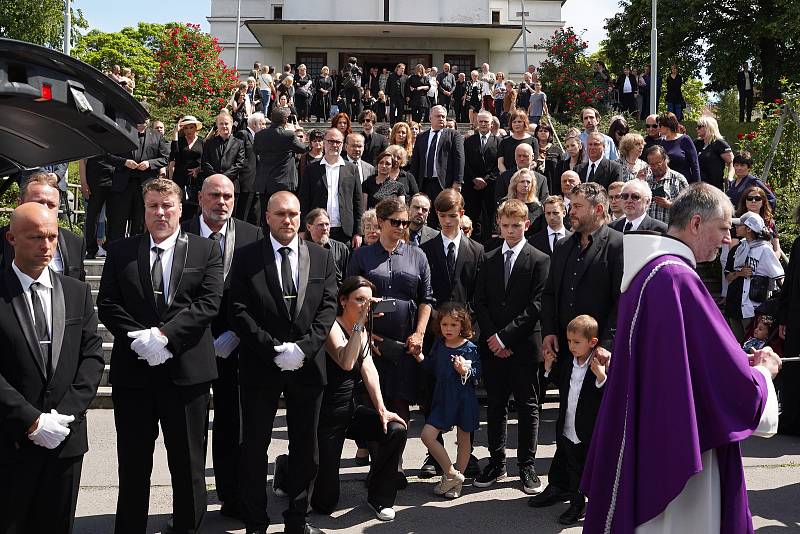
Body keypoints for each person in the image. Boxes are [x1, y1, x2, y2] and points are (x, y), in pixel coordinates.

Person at [581, 183, 781, 533]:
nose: (726, 240)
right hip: (682, 450)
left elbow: (689, 358)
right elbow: (729, 382)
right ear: (696, 223)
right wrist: (763, 373)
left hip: (652, 436)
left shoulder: (648, 271)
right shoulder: (677, 278)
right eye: (722, 229)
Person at [98, 178, 223, 534]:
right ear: (144, 210)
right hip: (134, 375)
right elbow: (108, 303)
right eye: (153, 206)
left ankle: (187, 527)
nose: (160, 212)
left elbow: (209, 303)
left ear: (181, 209)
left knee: (187, 466)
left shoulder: (205, 251)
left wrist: (165, 337)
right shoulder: (121, 250)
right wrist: (141, 338)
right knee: (134, 465)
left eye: (167, 206)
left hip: (186, 376)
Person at [229, 191, 337, 534]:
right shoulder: (246, 258)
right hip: (261, 366)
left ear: (301, 216)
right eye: (280, 214)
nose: (287, 220)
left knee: (306, 446)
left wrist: (302, 349)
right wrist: (273, 350)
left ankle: (297, 517)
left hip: (308, 367)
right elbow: (239, 310)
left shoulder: (321, 257)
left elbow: (328, 308)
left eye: (293, 214)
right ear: (268, 218)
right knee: (255, 446)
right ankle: (256, 520)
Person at [0, 203, 103, 534]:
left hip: (65, 440)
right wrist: (31, 419)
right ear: (11, 238)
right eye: (35, 237)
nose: (46, 246)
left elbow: (91, 357)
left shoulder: (77, 292)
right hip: (9, 441)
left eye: (52, 237)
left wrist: (63, 416)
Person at [275, 276, 407, 521]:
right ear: (343, 300)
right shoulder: (331, 326)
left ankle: (379, 497)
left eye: (369, 301)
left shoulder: (363, 329)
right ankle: (285, 466)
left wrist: (381, 409)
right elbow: (346, 362)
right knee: (325, 503)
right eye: (359, 300)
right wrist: (358, 324)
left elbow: (368, 369)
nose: (364, 306)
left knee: (395, 430)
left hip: (351, 409)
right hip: (326, 415)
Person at [180, 174, 262, 519]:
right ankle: (191, 506)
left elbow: (258, 292)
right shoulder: (181, 232)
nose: (222, 202)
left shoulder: (251, 234)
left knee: (232, 425)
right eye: (214, 195)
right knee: (190, 431)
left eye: (228, 195)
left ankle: (232, 497)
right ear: (200, 198)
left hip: (235, 345)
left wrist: (237, 334)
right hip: (190, 345)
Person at [473, 198, 550, 494]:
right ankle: (496, 461)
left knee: (528, 406)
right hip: (492, 347)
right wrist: (493, 337)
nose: (510, 231)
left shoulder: (540, 259)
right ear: (499, 225)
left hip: (523, 347)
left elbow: (537, 305)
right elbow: (480, 301)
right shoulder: (488, 257)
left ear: (526, 225)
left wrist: (506, 337)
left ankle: (527, 465)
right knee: (495, 405)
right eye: (505, 226)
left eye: (516, 226)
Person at [346, 197, 434, 444]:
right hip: (371, 341)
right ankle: (376, 463)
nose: (401, 227)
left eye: (405, 223)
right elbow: (349, 297)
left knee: (401, 400)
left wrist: (419, 333)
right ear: (381, 222)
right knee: (372, 400)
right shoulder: (362, 256)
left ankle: (395, 464)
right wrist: (362, 332)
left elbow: (427, 298)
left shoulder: (417, 255)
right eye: (395, 222)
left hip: (405, 340)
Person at [541, 183, 621, 419]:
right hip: (567, 351)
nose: (571, 212)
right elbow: (549, 293)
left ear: (597, 209)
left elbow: (622, 301)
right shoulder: (563, 245)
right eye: (570, 206)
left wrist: (606, 343)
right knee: (565, 419)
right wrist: (549, 331)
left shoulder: (617, 244)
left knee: (594, 422)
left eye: (577, 206)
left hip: (598, 354)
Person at [531, 315, 606, 526]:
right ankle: (576, 504)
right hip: (567, 428)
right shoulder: (568, 364)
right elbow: (555, 381)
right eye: (569, 342)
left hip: (589, 431)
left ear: (592, 342)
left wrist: (601, 376)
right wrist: (547, 366)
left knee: (591, 469)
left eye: (577, 342)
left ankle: (597, 503)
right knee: (573, 469)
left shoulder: (597, 365)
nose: (571, 346)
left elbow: (608, 394)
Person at [416, 302, 481, 499]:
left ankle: (456, 485)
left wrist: (465, 371)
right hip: (442, 399)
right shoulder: (439, 344)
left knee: (464, 440)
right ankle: (452, 474)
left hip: (464, 399)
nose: (448, 329)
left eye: (453, 325)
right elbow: (431, 367)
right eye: (445, 325)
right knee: (427, 435)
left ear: (463, 325)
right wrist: (418, 356)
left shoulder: (470, 348)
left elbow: (478, 373)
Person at [0, 173, 85, 280]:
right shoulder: (2, 240)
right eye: (38, 203)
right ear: (20, 203)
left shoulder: (75, 243)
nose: (44, 209)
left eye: (51, 205)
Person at [106, 119, 170, 242]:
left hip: (145, 185)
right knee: (117, 221)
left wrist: (149, 163)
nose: (141, 121)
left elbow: (165, 158)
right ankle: (115, 253)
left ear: (148, 120)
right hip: (123, 184)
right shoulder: (122, 133)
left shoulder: (157, 136)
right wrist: (124, 162)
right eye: (138, 118)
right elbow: (108, 156)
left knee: (140, 221)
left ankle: (136, 254)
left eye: (144, 119)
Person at [724, 212, 784, 342]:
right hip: (733, 305)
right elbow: (727, 277)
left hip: (752, 308)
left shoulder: (765, 250)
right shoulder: (738, 248)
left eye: (740, 225)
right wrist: (739, 273)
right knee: (737, 345)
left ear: (749, 229)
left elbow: (779, 276)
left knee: (751, 345)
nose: (736, 228)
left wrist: (787, 300)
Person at [299, 128, 363, 247]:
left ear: (342, 144)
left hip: (344, 231)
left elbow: (358, 201)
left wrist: (358, 232)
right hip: (318, 230)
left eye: (338, 142)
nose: (334, 145)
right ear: (324, 142)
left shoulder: (352, 169)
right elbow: (304, 200)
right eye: (331, 141)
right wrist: (303, 229)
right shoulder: (311, 169)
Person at [409, 106, 465, 217]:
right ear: (430, 118)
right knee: (426, 215)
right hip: (424, 183)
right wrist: (414, 184)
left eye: (443, 117)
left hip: (444, 183)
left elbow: (459, 158)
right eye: (438, 116)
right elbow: (416, 162)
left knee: (444, 213)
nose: (441, 119)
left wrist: (457, 181)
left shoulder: (453, 135)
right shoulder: (421, 137)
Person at [778, 202, 800, 435]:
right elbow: (790, 284)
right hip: (797, 319)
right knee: (794, 371)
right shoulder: (798, 243)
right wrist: (783, 317)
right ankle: (792, 418)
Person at [463, 110, 501, 242]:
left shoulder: (499, 142)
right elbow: (465, 163)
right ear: (476, 123)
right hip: (472, 187)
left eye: (486, 122)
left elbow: (499, 165)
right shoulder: (468, 142)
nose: (483, 124)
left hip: (491, 187)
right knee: (473, 218)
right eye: (481, 121)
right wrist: (474, 178)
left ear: (491, 124)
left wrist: (486, 180)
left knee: (489, 219)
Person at [254, 108, 308, 197]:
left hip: (265, 183)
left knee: (266, 209)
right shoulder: (288, 135)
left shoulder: (259, 135)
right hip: (284, 182)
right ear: (285, 120)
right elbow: (303, 149)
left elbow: (256, 150)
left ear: (271, 119)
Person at [168, 115, 205, 220]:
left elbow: (206, 160)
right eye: (186, 128)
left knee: (193, 208)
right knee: (178, 206)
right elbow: (173, 156)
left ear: (196, 128)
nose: (189, 130)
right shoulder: (179, 141)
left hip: (195, 179)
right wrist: (175, 133)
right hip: (179, 178)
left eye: (191, 127)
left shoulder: (202, 142)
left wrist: (198, 169)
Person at [233, 112, 267, 226]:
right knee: (243, 216)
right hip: (246, 183)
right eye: (262, 124)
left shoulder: (258, 138)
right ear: (254, 124)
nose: (264, 127)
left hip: (257, 184)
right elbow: (239, 157)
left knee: (255, 217)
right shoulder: (243, 134)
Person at [80, 154, 115, 258]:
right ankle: (91, 249)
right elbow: (82, 160)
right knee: (92, 216)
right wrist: (83, 183)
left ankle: (109, 246)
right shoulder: (92, 137)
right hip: (94, 181)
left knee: (114, 217)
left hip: (115, 180)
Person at [644, 145, 690, 224]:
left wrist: (670, 205)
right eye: (652, 164)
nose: (655, 167)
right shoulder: (645, 179)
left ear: (665, 160)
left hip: (669, 230)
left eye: (658, 163)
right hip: (648, 229)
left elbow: (689, 206)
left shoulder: (678, 179)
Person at [495, 143, 550, 207]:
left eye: (525, 156)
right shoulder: (504, 177)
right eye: (519, 156)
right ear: (515, 156)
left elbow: (544, 202)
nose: (522, 159)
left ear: (532, 157)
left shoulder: (541, 179)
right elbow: (499, 200)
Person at [306, 208, 350, 287]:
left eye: (327, 224)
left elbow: (347, 278)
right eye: (320, 224)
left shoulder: (341, 248)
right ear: (309, 227)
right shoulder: (302, 249)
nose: (325, 228)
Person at [201, 110, 246, 185]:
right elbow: (205, 162)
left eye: (226, 123)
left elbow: (239, 164)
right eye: (221, 124)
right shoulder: (209, 143)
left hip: (232, 184)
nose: (224, 126)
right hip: (212, 183)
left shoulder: (239, 143)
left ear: (231, 124)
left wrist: (224, 177)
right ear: (217, 125)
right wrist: (216, 177)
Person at [735, 185, 782, 256]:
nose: (753, 201)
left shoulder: (769, 221)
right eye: (750, 198)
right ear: (745, 201)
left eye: (757, 198)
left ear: (763, 202)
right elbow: (733, 246)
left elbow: (777, 249)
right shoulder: (738, 220)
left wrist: (771, 259)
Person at [657, 112, 701, 183]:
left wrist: (697, 185)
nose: (658, 128)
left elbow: (694, 164)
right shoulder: (660, 142)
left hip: (684, 183)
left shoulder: (685, 139)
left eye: (660, 125)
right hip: (665, 184)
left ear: (667, 125)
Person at [694, 116, 734, 189]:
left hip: (714, 188)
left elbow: (731, 163)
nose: (697, 129)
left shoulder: (720, 144)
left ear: (708, 127)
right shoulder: (697, 143)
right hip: (698, 186)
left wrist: (730, 177)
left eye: (699, 127)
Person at [497, 110, 539, 174]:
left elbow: (534, 162)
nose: (516, 124)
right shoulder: (504, 141)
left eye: (519, 122)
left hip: (526, 178)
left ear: (525, 123)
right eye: (514, 122)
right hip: (508, 178)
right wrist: (506, 176)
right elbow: (500, 163)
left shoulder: (533, 141)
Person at [534, 123, 563, 196]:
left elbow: (561, 169)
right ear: (536, 133)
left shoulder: (556, 150)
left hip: (552, 185)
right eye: (540, 131)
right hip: (535, 184)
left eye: (546, 131)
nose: (543, 132)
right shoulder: (532, 149)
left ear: (550, 134)